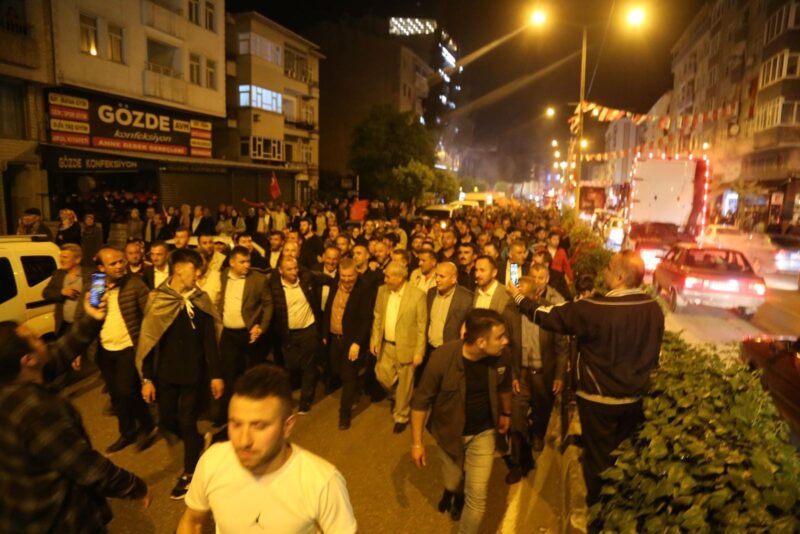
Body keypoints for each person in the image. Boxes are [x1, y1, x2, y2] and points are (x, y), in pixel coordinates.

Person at [513, 251, 664, 504]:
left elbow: (547, 315)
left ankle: (597, 510)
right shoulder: (652, 308)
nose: (604, 272)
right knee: (621, 456)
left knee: (596, 461)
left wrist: (518, 298)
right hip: (634, 399)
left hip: (598, 400)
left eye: (608, 267)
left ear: (619, 277)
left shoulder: (594, 308)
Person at [0, 294, 151, 533]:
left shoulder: (13, 381)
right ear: (28, 360)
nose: (41, 338)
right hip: (58, 521)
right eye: (34, 339)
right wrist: (134, 486)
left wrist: (91, 319)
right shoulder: (35, 411)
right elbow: (87, 467)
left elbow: (58, 353)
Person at [177, 364, 357, 534]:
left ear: (287, 426)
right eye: (236, 424)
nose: (244, 441)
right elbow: (192, 522)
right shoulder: (212, 462)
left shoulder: (322, 483)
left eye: (259, 426)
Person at [410, 309, 513, 533]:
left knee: (477, 497)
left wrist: (506, 414)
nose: (506, 341)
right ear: (481, 342)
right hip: (449, 434)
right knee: (453, 482)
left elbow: (505, 387)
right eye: (499, 337)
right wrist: (417, 443)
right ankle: (455, 491)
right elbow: (420, 401)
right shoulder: (442, 358)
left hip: (484, 433)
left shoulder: (502, 356)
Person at [138, 249, 224, 500]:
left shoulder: (200, 299)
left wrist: (215, 374)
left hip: (194, 374)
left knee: (187, 421)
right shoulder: (158, 298)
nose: (198, 274)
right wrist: (147, 379)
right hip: (165, 374)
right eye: (194, 269)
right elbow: (148, 341)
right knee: (166, 421)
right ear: (178, 269)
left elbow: (210, 341)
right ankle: (197, 440)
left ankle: (189, 473)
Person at [78, 247, 156, 453]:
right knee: (115, 395)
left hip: (129, 347)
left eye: (121, 261)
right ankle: (127, 432)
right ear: (101, 267)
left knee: (127, 390)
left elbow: (150, 315)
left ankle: (147, 425)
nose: (120, 266)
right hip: (104, 349)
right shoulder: (96, 285)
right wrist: (78, 349)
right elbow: (86, 316)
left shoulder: (134, 283)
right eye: (113, 263)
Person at [505, 268, 568, 484]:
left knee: (542, 410)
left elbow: (561, 348)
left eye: (522, 296)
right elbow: (508, 347)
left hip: (543, 374)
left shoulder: (549, 312)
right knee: (517, 419)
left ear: (535, 296)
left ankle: (538, 434)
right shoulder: (510, 312)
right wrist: (512, 375)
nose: (518, 299)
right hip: (521, 374)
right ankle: (518, 462)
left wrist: (559, 376)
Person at [370, 261, 427, 433]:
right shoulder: (382, 291)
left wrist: (419, 352)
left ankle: (401, 415)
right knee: (381, 375)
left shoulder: (417, 295)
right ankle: (400, 397)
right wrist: (375, 339)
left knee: (405, 383)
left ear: (400, 277)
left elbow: (422, 326)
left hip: (407, 347)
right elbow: (378, 316)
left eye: (388, 276)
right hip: (387, 345)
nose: (385, 279)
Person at [218, 246, 273, 418]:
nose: (247, 265)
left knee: (253, 371)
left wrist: (261, 327)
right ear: (232, 262)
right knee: (228, 371)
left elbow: (268, 305)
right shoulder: (223, 276)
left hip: (249, 333)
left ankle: (256, 407)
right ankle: (230, 410)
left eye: (248, 261)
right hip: (228, 333)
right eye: (242, 262)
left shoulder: (258, 279)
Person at [321, 258, 376, 429]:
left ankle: (344, 415)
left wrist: (357, 343)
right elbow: (328, 309)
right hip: (334, 338)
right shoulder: (334, 284)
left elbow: (366, 319)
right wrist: (324, 334)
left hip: (351, 341)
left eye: (350, 276)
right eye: (343, 276)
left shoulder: (364, 289)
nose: (346, 279)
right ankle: (357, 383)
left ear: (356, 273)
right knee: (336, 370)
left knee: (348, 376)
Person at [270, 256, 323, 414]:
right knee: (292, 366)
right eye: (289, 269)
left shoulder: (306, 279)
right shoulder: (274, 286)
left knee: (308, 366)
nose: (294, 272)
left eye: (295, 268)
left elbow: (325, 278)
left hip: (308, 329)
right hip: (289, 333)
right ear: (281, 271)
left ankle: (305, 401)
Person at [424, 262, 473, 383]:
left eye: (442, 276)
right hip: (431, 349)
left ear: (453, 279)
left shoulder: (466, 298)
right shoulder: (431, 293)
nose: (437, 280)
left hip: (452, 352)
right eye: (436, 275)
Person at [42, 244, 91, 338]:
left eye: (65, 257)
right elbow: (46, 293)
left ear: (77, 259)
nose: (61, 260)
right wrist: (61, 292)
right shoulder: (58, 274)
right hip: (64, 326)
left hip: (83, 326)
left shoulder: (89, 275)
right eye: (60, 257)